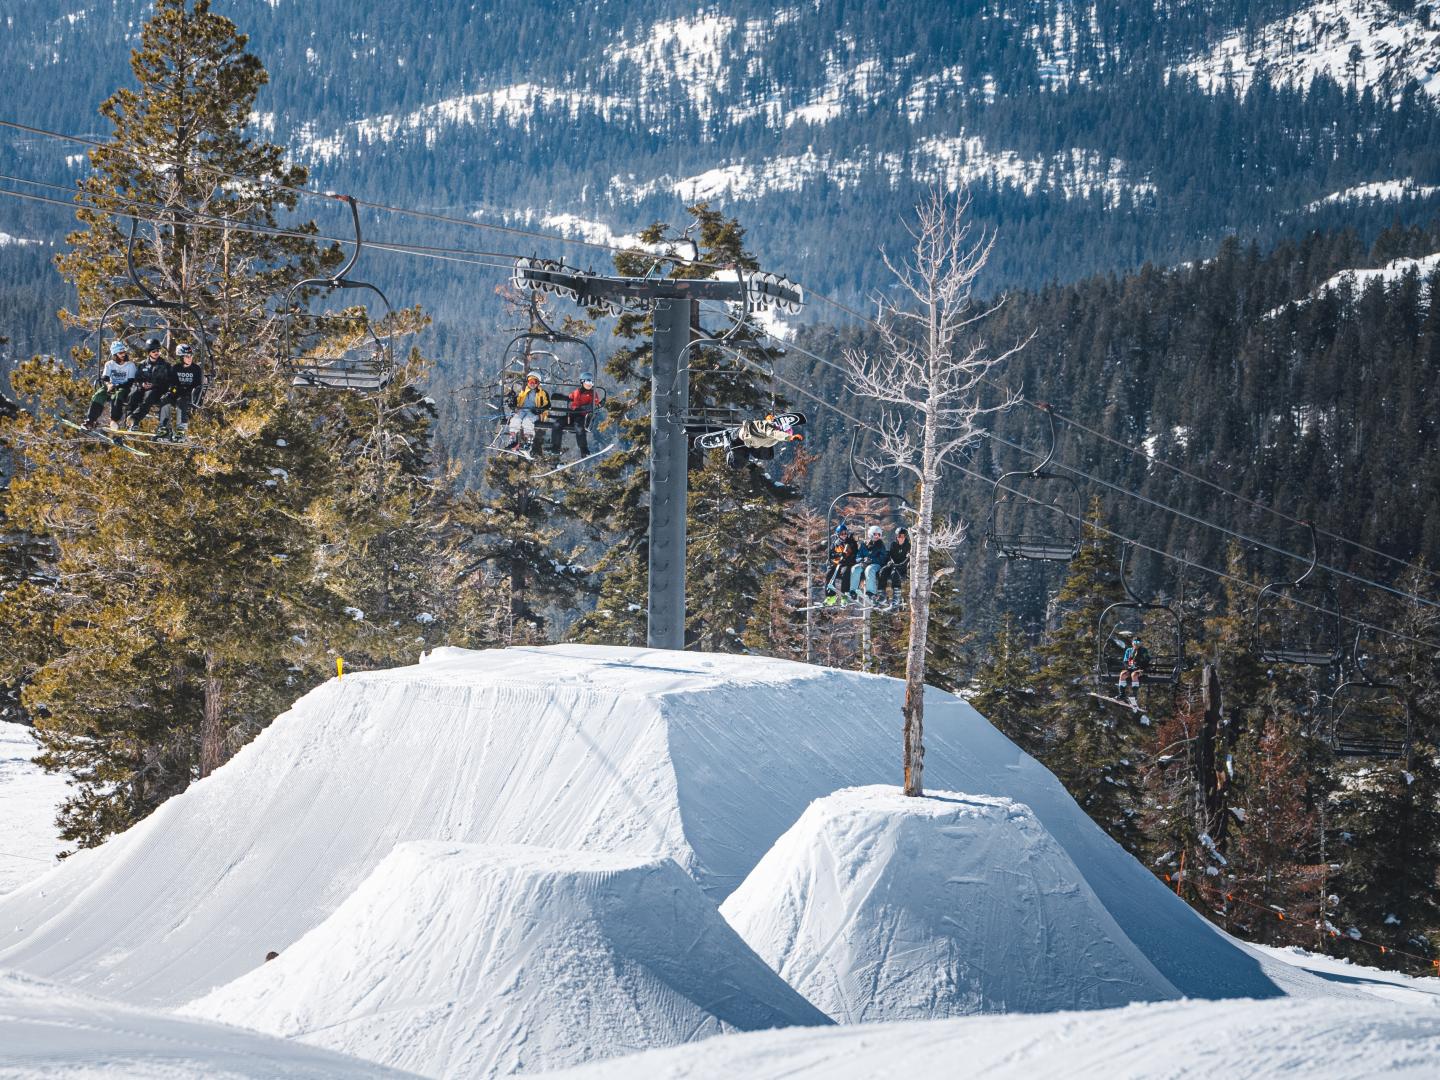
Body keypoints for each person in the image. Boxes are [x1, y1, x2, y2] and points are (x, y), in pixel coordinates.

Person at [83, 340, 138, 429]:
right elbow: (105, 378)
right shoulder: (109, 364)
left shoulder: (130, 365)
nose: (123, 354)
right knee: (99, 395)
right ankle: (91, 420)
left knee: (118, 395)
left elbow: (131, 381)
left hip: (123, 387)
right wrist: (109, 384)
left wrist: (117, 386)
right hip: (111, 385)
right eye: (120, 353)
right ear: (115, 354)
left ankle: (114, 420)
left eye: (124, 352)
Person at [125, 338, 174, 429]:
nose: (157, 353)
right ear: (149, 352)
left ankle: (135, 419)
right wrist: (142, 384)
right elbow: (137, 379)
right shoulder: (143, 364)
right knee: (133, 394)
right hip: (143, 388)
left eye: (158, 350)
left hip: (157, 390)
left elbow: (169, 381)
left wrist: (155, 385)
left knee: (148, 397)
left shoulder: (165, 365)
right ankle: (129, 420)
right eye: (154, 351)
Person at [159, 343, 204, 438]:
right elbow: (171, 383)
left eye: (191, 356)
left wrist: (190, 392)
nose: (190, 358)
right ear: (181, 358)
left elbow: (198, 386)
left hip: (189, 395)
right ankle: (164, 427)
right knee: (165, 398)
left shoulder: (196, 369)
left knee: (181, 401)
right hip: (177, 392)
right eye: (187, 356)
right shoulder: (175, 368)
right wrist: (173, 389)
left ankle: (181, 430)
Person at [551, 372, 599, 456]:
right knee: (557, 424)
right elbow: (570, 397)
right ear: (582, 381)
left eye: (591, 382)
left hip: (582, 416)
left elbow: (594, 405)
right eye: (588, 382)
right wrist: (560, 396)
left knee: (579, 428)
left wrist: (582, 408)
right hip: (571, 415)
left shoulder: (593, 394)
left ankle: (584, 450)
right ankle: (556, 447)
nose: (590, 384)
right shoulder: (577, 392)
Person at [504, 372, 550, 453]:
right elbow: (518, 400)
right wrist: (512, 400)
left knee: (527, 421)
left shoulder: (542, 393)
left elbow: (547, 404)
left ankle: (528, 442)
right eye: (530, 382)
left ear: (538, 383)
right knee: (515, 419)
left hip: (534, 412)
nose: (532, 384)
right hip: (522, 410)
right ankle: (513, 440)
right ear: (527, 382)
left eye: (534, 382)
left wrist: (540, 409)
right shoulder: (524, 391)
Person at [849, 525, 888, 601]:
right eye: (875, 534)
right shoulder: (864, 544)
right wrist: (862, 560)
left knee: (869, 569)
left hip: (875, 565)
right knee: (855, 568)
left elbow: (883, 558)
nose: (877, 536)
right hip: (864, 563)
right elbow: (858, 556)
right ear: (870, 534)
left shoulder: (880, 545)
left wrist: (871, 560)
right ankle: (853, 591)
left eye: (879, 535)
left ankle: (871, 592)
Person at [823, 522, 857, 605]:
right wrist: (839, 555)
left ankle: (844, 596)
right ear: (838, 534)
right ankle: (831, 597)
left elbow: (854, 553)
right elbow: (830, 554)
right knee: (828, 574)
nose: (844, 535)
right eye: (842, 533)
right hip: (836, 563)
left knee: (846, 573)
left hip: (846, 564)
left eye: (845, 533)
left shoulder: (850, 542)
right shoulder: (835, 543)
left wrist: (846, 558)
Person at [878, 526, 910, 606]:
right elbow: (891, 555)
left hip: (903, 567)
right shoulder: (894, 544)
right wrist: (889, 562)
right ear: (896, 536)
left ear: (905, 537)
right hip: (894, 565)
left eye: (902, 536)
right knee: (883, 571)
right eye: (899, 536)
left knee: (895, 574)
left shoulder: (908, 546)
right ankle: (882, 594)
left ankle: (896, 596)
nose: (900, 538)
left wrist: (900, 564)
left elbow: (908, 558)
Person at [1117, 633, 1150, 705]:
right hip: (1130, 668)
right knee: (1123, 674)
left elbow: (1147, 659)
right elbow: (1125, 661)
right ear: (1132, 643)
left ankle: (1134, 695)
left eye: (1138, 642)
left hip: (1140, 669)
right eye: (1134, 642)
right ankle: (1122, 695)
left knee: (1134, 675)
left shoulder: (1143, 651)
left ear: (1140, 643)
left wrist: (1140, 660)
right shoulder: (1129, 650)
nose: (1136, 644)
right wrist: (1128, 665)